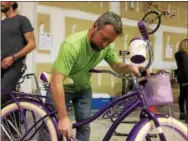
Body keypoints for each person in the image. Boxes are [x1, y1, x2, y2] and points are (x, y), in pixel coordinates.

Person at [46, 11, 146, 141]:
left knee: (84, 126)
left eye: (109, 42)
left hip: (83, 88)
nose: (105, 44)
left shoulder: (106, 47)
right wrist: (63, 117)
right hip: (61, 88)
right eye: (103, 38)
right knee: (49, 127)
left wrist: (129, 67)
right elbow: (56, 82)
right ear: (94, 27)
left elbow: (116, 65)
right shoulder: (72, 46)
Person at [1, 1, 36, 104]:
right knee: (8, 98)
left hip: (16, 63)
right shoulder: (1, 23)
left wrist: (13, 57)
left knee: (2, 93)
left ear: (12, 2)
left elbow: (32, 44)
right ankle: (15, 119)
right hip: (2, 63)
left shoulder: (22, 20)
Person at [175, 39, 188, 121]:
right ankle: (187, 117)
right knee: (187, 97)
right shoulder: (184, 55)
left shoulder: (178, 54)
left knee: (182, 96)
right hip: (187, 78)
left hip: (182, 78)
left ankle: (182, 114)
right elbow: (186, 68)